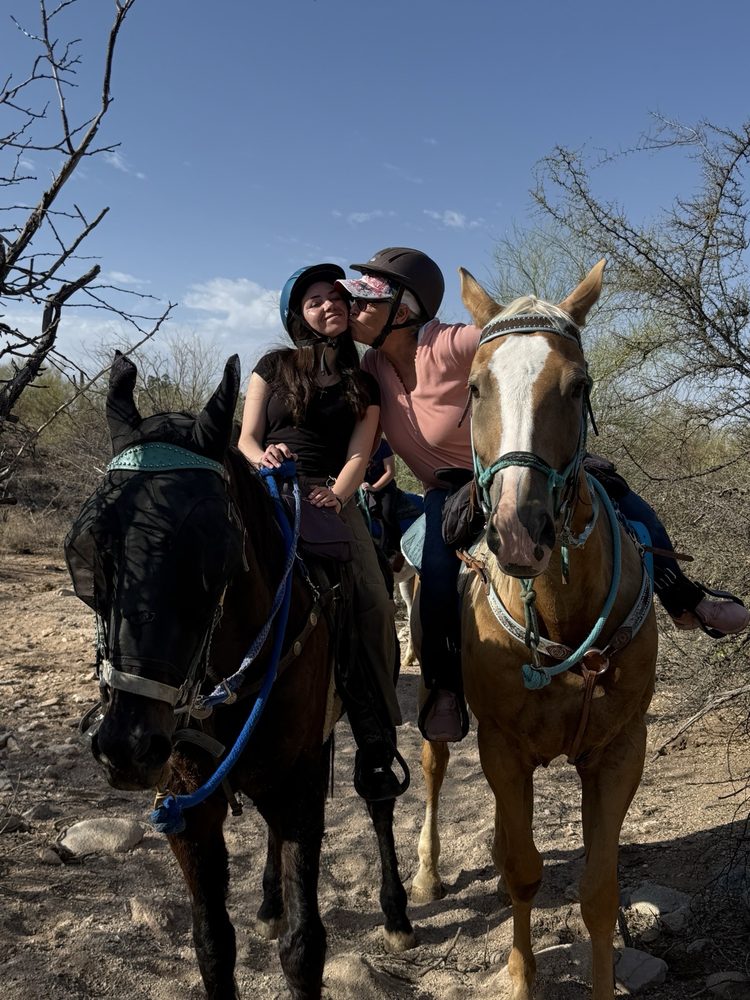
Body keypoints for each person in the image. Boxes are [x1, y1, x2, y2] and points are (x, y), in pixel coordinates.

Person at [334, 247, 749, 743]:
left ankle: (683, 596)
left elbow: (528, 348)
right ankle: (444, 685)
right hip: (449, 488)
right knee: (438, 574)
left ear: (402, 312)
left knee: (620, 495)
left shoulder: (453, 342)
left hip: (528, 465)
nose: (354, 308)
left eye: (366, 301)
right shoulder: (373, 367)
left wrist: (561, 326)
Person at [238, 263, 407, 802]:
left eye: (335, 297)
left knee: (375, 602)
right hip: (267, 486)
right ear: (299, 316)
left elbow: (360, 452)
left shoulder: (364, 383)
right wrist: (263, 457)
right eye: (314, 301)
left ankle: (377, 734)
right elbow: (246, 438)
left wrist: (338, 493)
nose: (328, 306)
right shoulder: (272, 366)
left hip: (328, 495)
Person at [362, 437, 404, 570]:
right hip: (363, 489)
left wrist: (374, 488)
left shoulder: (382, 445)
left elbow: (390, 472)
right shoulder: (356, 445)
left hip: (385, 488)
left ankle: (395, 551)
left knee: (387, 513)